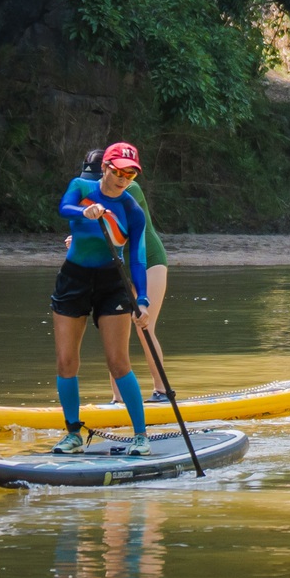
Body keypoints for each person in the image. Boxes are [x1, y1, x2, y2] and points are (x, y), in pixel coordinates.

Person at [50, 141, 154, 455]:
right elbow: (64, 208)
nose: (123, 178)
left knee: (118, 361)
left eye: (130, 174)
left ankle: (141, 437)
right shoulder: (81, 187)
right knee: (66, 360)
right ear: (105, 167)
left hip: (113, 282)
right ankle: (72, 434)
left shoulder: (131, 210)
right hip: (74, 278)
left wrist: (144, 299)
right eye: (118, 170)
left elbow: (137, 257)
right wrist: (87, 210)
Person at [77, 147, 174, 400]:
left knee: (145, 326)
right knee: (115, 333)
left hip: (148, 260)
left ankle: (162, 391)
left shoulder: (131, 190)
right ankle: (118, 399)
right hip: (118, 266)